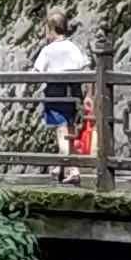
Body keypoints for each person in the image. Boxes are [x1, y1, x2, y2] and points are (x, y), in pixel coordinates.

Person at [32, 10, 90, 167]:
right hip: (73, 92)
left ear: (51, 29)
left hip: (55, 92)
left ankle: (72, 168)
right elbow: (87, 71)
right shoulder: (75, 48)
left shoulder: (48, 50)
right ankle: (62, 166)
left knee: (61, 129)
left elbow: (35, 73)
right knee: (68, 128)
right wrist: (88, 95)